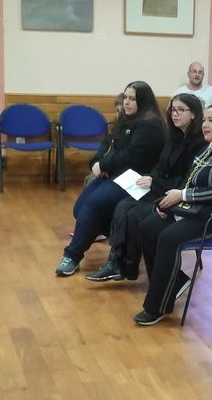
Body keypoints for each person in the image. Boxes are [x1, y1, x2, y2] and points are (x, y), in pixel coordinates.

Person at [130, 101, 212, 326]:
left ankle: (158, 306)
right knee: (148, 227)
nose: (204, 125)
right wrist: (166, 203)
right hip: (201, 213)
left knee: (168, 238)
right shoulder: (211, 149)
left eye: (211, 120)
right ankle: (174, 282)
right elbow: (189, 182)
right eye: (204, 120)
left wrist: (182, 196)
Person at [84, 92, 205, 282]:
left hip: (175, 194)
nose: (175, 114)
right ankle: (116, 263)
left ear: (194, 114)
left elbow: (187, 180)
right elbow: (159, 166)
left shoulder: (199, 144)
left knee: (134, 213)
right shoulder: (173, 137)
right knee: (123, 205)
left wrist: (154, 182)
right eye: (173, 110)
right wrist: (150, 178)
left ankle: (127, 265)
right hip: (159, 188)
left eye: (181, 110)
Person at [55, 81, 165, 276]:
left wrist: (104, 165)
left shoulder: (151, 126)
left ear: (143, 101)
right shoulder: (124, 120)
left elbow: (131, 157)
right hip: (115, 174)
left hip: (138, 180)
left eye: (132, 99)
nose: (127, 103)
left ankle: (72, 255)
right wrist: (96, 162)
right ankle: (118, 238)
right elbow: (106, 144)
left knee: (93, 205)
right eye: (125, 98)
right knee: (79, 208)